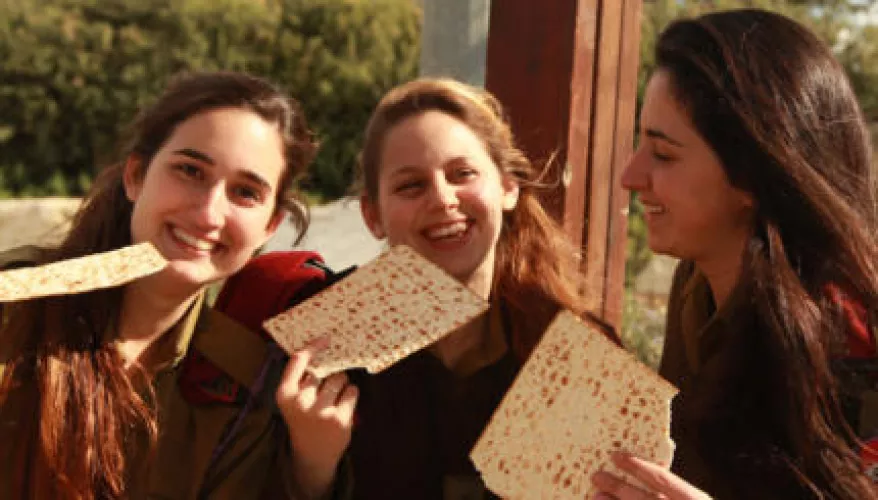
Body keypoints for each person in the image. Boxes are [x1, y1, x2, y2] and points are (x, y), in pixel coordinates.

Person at [0, 71, 355, 499]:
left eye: (245, 192)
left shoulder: (242, 382)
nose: (208, 213)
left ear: (269, 227)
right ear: (135, 176)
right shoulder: (15, 304)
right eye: (190, 170)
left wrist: (310, 472)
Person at [280, 77, 616, 499]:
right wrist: (311, 465)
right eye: (411, 185)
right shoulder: (318, 346)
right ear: (372, 214)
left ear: (508, 187)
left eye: (462, 174)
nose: (442, 199)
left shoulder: (579, 357)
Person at [591, 8, 878, 500]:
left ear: (752, 173)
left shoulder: (846, 336)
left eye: (663, 154)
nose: (631, 176)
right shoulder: (697, 288)